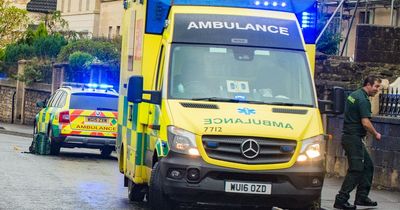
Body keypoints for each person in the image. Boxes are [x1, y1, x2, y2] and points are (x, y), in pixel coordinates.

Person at [333, 76, 382, 210]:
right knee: (356, 169)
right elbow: (365, 123)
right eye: (376, 86)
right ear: (368, 84)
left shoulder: (354, 95)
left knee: (368, 166)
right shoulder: (363, 100)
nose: (377, 90)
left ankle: (362, 197)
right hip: (353, 138)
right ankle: (341, 200)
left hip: (351, 137)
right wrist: (376, 134)